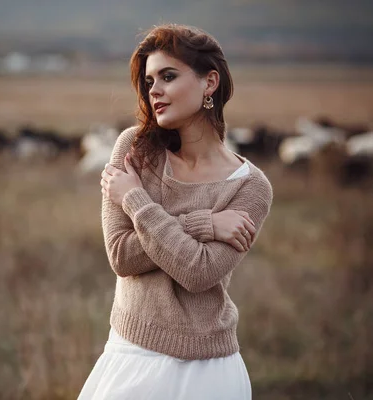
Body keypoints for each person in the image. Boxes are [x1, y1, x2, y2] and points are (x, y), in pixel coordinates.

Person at [77, 24, 273, 400]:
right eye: (149, 81)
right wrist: (206, 223)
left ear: (209, 83)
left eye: (168, 76)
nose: (154, 90)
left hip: (211, 372)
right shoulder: (136, 150)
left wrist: (134, 199)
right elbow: (121, 255)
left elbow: (198, 272)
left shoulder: (251, 187)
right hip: (132, 356)